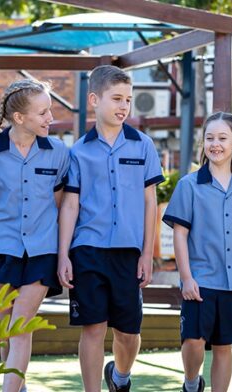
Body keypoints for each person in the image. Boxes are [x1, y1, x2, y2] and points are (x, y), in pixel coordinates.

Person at [57, 65, 164, 392]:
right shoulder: (79, 151)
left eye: (128, 100)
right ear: (94, 99)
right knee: (93, 328)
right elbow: (70, 205)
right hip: (87, 250)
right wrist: (64, 255)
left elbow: (150, 203)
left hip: (129, 252)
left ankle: (119, 376)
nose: (123, 106)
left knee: (128, 332)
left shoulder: (143, 146)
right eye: (116, 98)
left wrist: (148, 253)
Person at [0, 78, 68, 392]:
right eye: (43, 112)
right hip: (2, 248)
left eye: (50, 110)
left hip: (42, 250)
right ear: (20, 118)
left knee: (20, 325)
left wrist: (63, 254)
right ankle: (18, 386)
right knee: (5, 327)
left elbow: (61, 205)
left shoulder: (59, 152)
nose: (50, 118)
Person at [163, 111, 232, 392]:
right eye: (209, 138)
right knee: (193, 340)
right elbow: (180, 235)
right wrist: (186, 278)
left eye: (222, 138)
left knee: (223, 345)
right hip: (201, 279)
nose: (215, 144)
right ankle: (192, 382)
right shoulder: (188, 185)